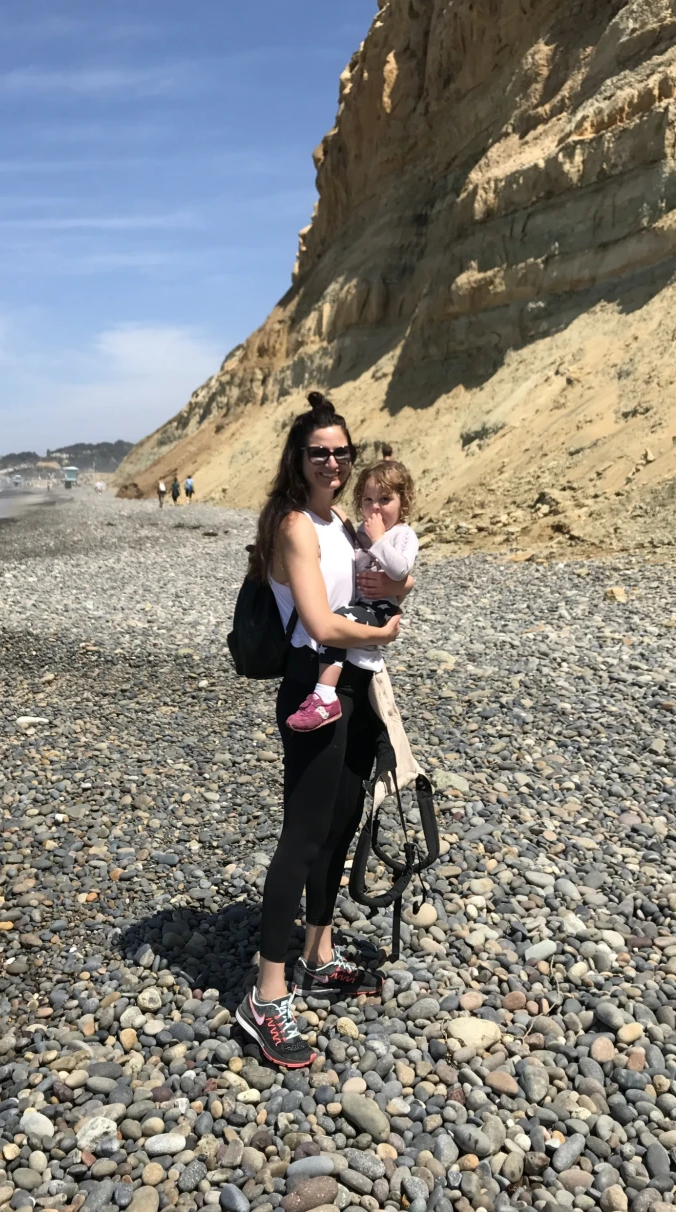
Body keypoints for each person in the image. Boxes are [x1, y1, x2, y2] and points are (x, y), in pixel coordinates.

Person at [234, 390, 412, 1068]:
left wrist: (398, 598)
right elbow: (321, 623)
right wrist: (384, 627)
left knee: (338, 826)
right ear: (298, 459)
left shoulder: (340, 522)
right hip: (314, 687)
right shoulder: (292, 526)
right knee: (302, 837)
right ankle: (267, 995)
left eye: (342, 453)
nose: (333, 463)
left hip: (358, 689)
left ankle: (318, 952)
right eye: (320, 454)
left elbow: (387, 576)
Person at [286, 459, 418, 732]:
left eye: (385, 499)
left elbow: (401, 569)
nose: (376, 507)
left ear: (403, 502)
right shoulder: (361, 532)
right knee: (340, 623)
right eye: (368, 500)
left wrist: (380, 540)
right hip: (362, 607)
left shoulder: (403, 535)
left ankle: (324, 694)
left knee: (340, 620)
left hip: (380, 611)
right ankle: (326, 693)